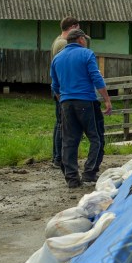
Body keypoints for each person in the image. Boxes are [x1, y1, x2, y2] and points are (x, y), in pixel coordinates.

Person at [50, 28, 113, 189]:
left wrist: (62, 101)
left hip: (66, 103)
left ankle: (71, 178)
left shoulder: (57, 58)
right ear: (80, 40)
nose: (85, 41)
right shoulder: (87, 54)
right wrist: (106, 99)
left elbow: (55, 85)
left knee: (69, 141)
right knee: (95, 137)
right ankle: (89, 172)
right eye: (84, 38)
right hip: (85, 101)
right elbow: (96, 77)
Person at [50, 16, 80, 168]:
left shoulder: (57, 40)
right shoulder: (63, 44)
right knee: (63, 124)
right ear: (73, 27)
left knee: (59, 123)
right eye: (78, 28)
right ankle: (58, 158)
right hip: (63, 88)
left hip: (59, 86)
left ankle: (57, 157)